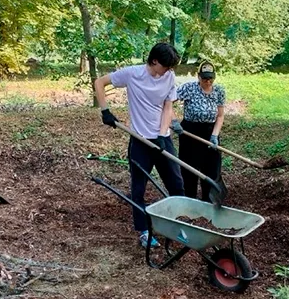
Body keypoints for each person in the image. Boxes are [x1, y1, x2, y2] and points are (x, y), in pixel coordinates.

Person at [95, 43, 183, 248]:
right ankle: (144, 231)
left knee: (177, 185)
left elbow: (167, 106)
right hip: (140, 140)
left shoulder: (169, 76)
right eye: (166, 66)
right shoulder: (132, 74)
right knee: (138, 188)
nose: (168, 71)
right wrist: (105, 111)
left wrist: (161, 134)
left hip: (162, 139)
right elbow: (99, 82)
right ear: (154, 61)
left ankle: (176, 225)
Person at [175, 61, 225, 202]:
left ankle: (208, 202)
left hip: (210, 133)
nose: (208, 81)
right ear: (198, 76)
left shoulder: (219, 91)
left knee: (211, 170)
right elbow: (168, 101)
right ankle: (189, 201)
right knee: (189, 169)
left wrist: (214, 136)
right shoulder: (189, 88)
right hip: (190, 133)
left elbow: (220, 116)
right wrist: (173, 121)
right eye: (204, 78)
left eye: (211, 78)